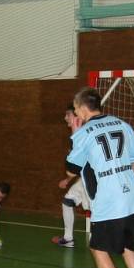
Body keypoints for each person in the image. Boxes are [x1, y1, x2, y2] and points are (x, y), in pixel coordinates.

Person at [66, 86, 134, 268]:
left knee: (97, 248)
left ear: (83, 108)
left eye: (76, 109)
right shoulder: (121, 124)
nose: (76, 114)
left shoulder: (85, 133)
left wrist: (74, 136)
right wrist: (125, 177)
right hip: (130, 193)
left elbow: (71, 169)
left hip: (108, 198)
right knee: (128, 245)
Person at [52, 104, 91, 248]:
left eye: (68, 114)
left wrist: (67, 179)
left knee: (98, 210)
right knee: (67, 201)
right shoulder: (77, 135)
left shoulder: (83, 134)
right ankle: (68, 239)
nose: (65, 118)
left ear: (76, 116)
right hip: (84, 178)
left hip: (93, 180)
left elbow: (78, 164)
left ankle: (114, 239)